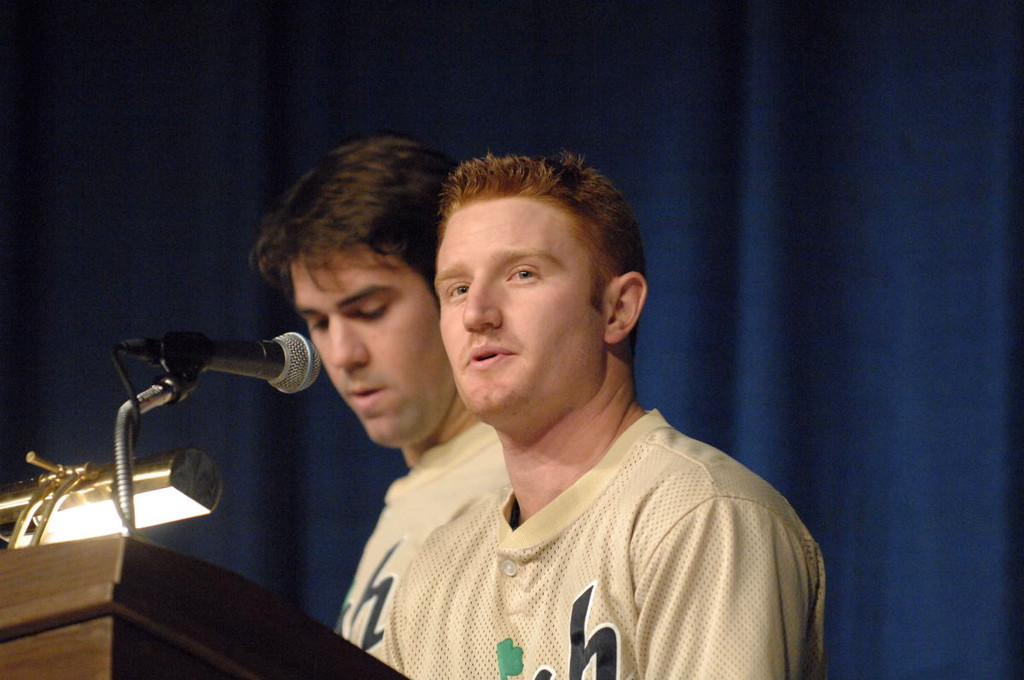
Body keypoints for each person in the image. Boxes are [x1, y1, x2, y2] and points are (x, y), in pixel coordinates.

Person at [383, 152, 826, 678]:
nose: (477, 313)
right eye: (456, 289)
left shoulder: (700, 517)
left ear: (618, 309)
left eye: (522, 274)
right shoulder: (437, 570)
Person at [252, 133, 508, 659]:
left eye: (369, 311)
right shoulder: (419, 496)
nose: (342, 354)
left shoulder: (518, 491)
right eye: (318, 321)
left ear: (454, 293)